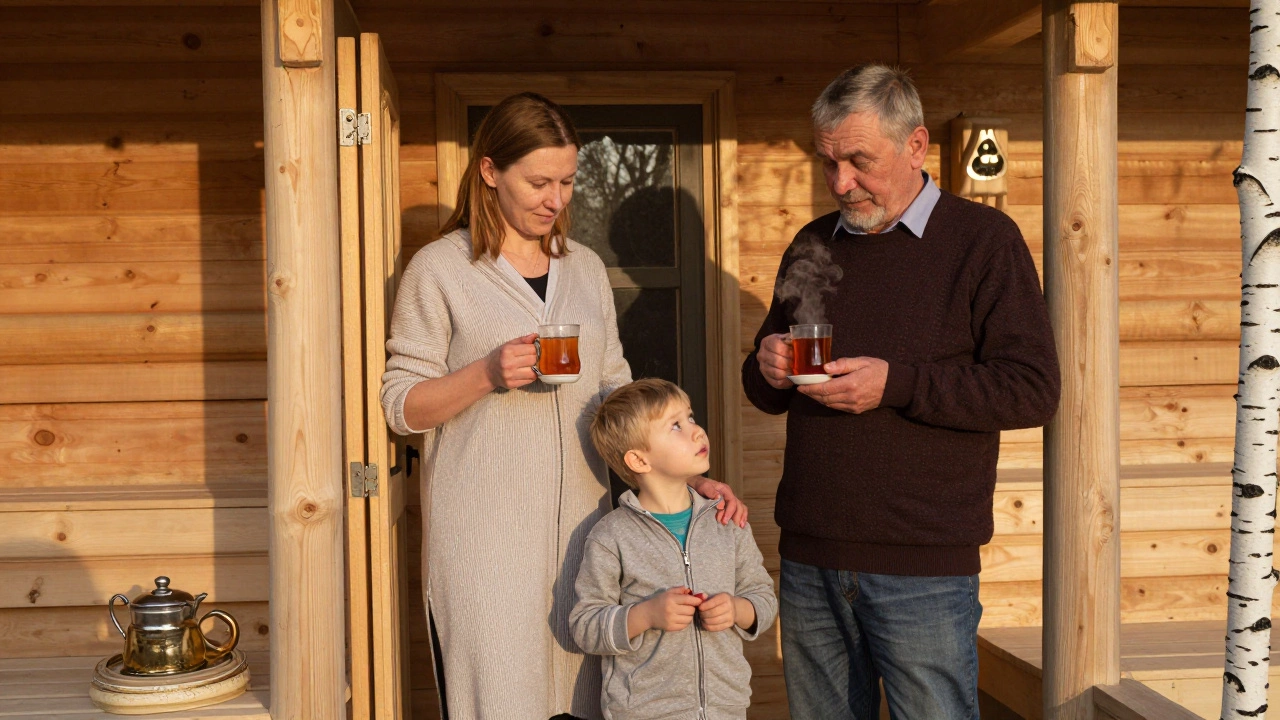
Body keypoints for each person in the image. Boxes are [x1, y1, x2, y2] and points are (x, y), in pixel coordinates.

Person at [380, 92, 747, 720]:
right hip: (485, 545)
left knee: (589, 703)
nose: (557, 199)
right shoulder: (439, 271)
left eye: (569, 181)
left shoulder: (584, 270)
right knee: (497, 701)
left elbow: (615, 392)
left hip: (588, 536)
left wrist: (680, 476)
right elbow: (401, 406)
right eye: (539, 182)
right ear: (490, 172)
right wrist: (487, 372)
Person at [742, 65, 1061, 719]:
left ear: (915, 146)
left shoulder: (982, 242)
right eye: (828, 162)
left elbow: (1031, 389)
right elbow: (769, 392)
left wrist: (899, 384)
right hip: (810, 556)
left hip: (925, 567)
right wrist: (765, 366)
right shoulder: (812, 243)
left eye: (859, 161)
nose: (840, 183)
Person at [572, 378, 777, 720]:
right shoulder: (612, 536)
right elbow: (585, 625)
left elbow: (764, 598)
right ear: (639, 460)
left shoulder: (726, 521)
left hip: (725, 710)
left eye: (692, 417)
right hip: (644, 712)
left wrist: (739, 609)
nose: (697, 431)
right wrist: (646, 615)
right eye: (676, 426)